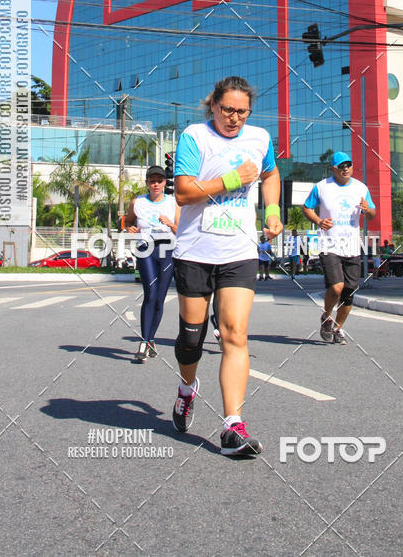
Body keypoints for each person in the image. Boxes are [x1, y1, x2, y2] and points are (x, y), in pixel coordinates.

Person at [170, 76, 282, 457]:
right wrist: (233, 179)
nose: (234, 118)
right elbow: (184, 192)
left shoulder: (260, 138)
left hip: (239, 251)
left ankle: (232, 425)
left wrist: (272, 209)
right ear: (212, 106)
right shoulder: (195, 137)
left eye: (241, 111)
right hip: (195, 251)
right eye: (227, 110)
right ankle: (187, 390)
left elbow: (270, 174)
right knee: (191, 338)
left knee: (235, 334)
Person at [302, 151, 376, 345]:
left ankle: (337, 328)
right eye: (341, 166)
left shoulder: (361, 188)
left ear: (352, 167)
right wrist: (319, 221)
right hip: (329, 243)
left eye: (348, 165)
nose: (345, 169)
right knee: (336, 286)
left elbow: (372, 215)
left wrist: (367, 209)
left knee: (349, 291)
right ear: (333, 169)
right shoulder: (322, 187)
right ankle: (326, 317)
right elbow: (306, 207)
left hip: (351, 245)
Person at [124, 165, 180, 362]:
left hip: (167, 250)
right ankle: (144, 341)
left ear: (165, 183)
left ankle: (150, 339)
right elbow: (127, 221)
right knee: (150, 293)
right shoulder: (137, 202)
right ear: (147, 183)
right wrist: (129, 227)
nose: (156, 184)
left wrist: (170, 224)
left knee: (159, 298)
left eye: (159, 181)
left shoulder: (173, 203)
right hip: (145, 249)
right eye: (152, 181)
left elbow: (182, 229)